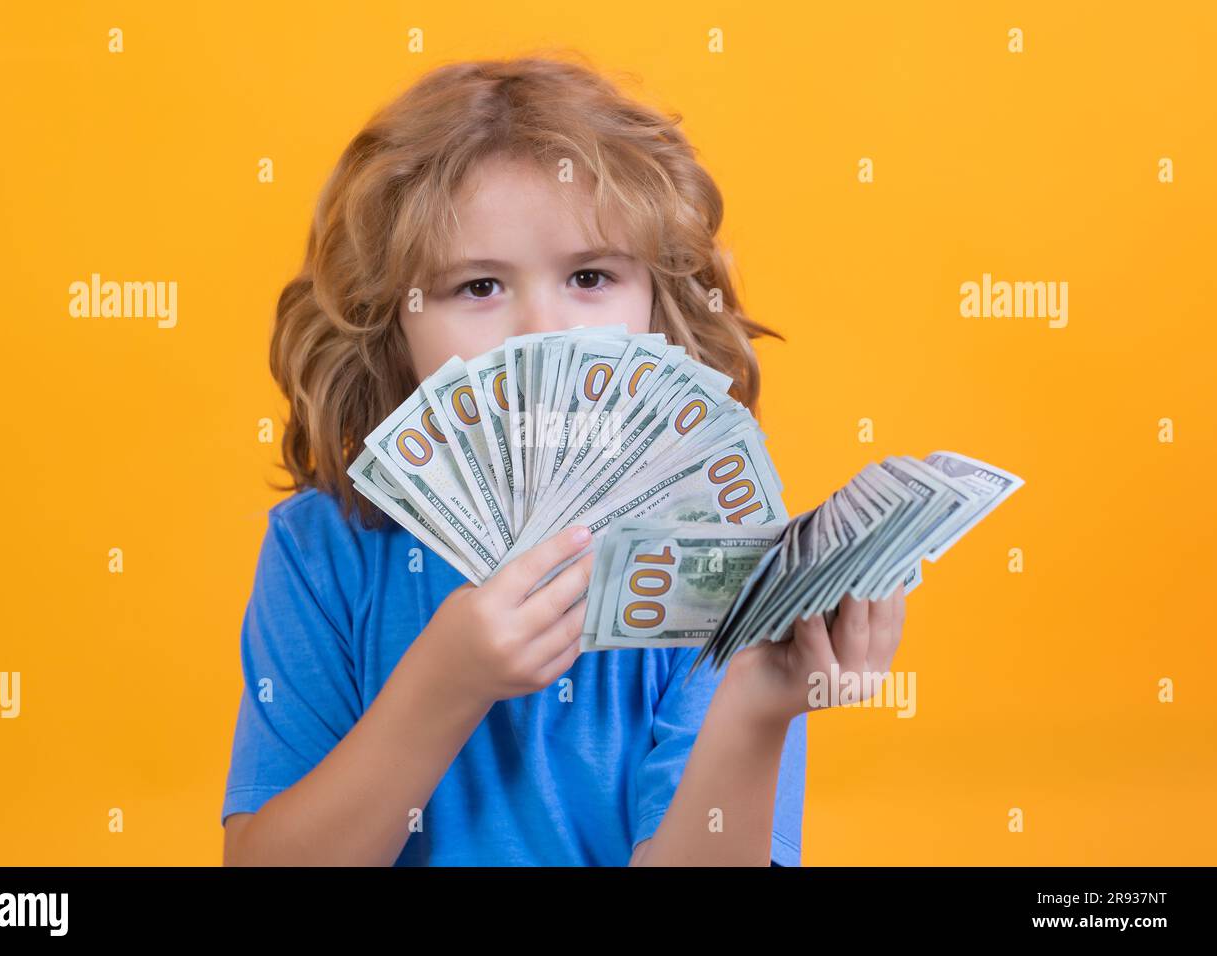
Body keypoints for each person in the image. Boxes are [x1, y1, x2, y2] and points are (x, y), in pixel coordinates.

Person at [220, 54, 906, 866]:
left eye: (589, 276)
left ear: (658, 310)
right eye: (478, 287)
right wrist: (444, 687)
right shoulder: (322, 551)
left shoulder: (719, 557)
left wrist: (758, 703)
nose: (543, 334)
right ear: (391, 327)